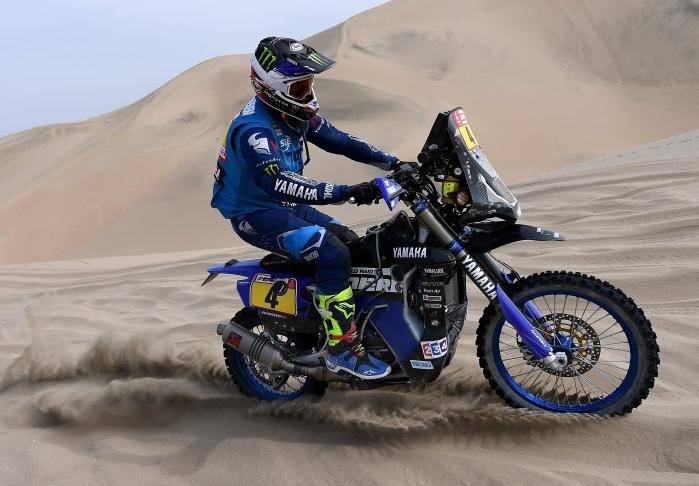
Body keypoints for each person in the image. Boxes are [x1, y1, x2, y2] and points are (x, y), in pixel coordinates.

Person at [211, 37, 401, 379]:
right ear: (272, 88)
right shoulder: (253, 130)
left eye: (309, 83)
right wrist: (347, 192)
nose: (308, 93)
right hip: (256, 214)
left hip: (288, 206)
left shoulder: (294, 113)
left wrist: (395, 163)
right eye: (299, 88)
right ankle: (341, 349)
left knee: (353, 245)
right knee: (331, 252)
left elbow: (340, 141)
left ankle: (357, 329)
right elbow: (278, 182)